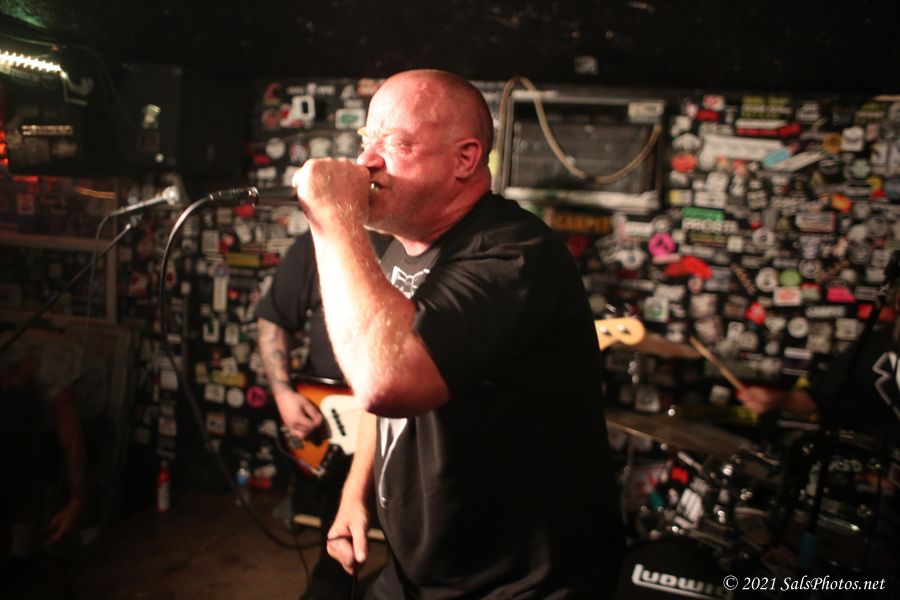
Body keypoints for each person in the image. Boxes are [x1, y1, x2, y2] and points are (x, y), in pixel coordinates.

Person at [291, 69, 624, 598]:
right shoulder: (398, 250)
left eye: (394, 142)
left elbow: (387, 381)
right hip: (421, 572)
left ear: (465, 159)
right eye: (366, 140)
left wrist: (334, 217)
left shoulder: (513, 254)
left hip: (517, 585)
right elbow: (381, 399)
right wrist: (354, 493)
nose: (366, 161)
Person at [256, 228, 390, 599]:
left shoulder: (424, 244)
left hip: (403, 421)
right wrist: (283, 393)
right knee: (337, 532)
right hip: (336, 419)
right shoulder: (320, 242)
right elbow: (274, 318)